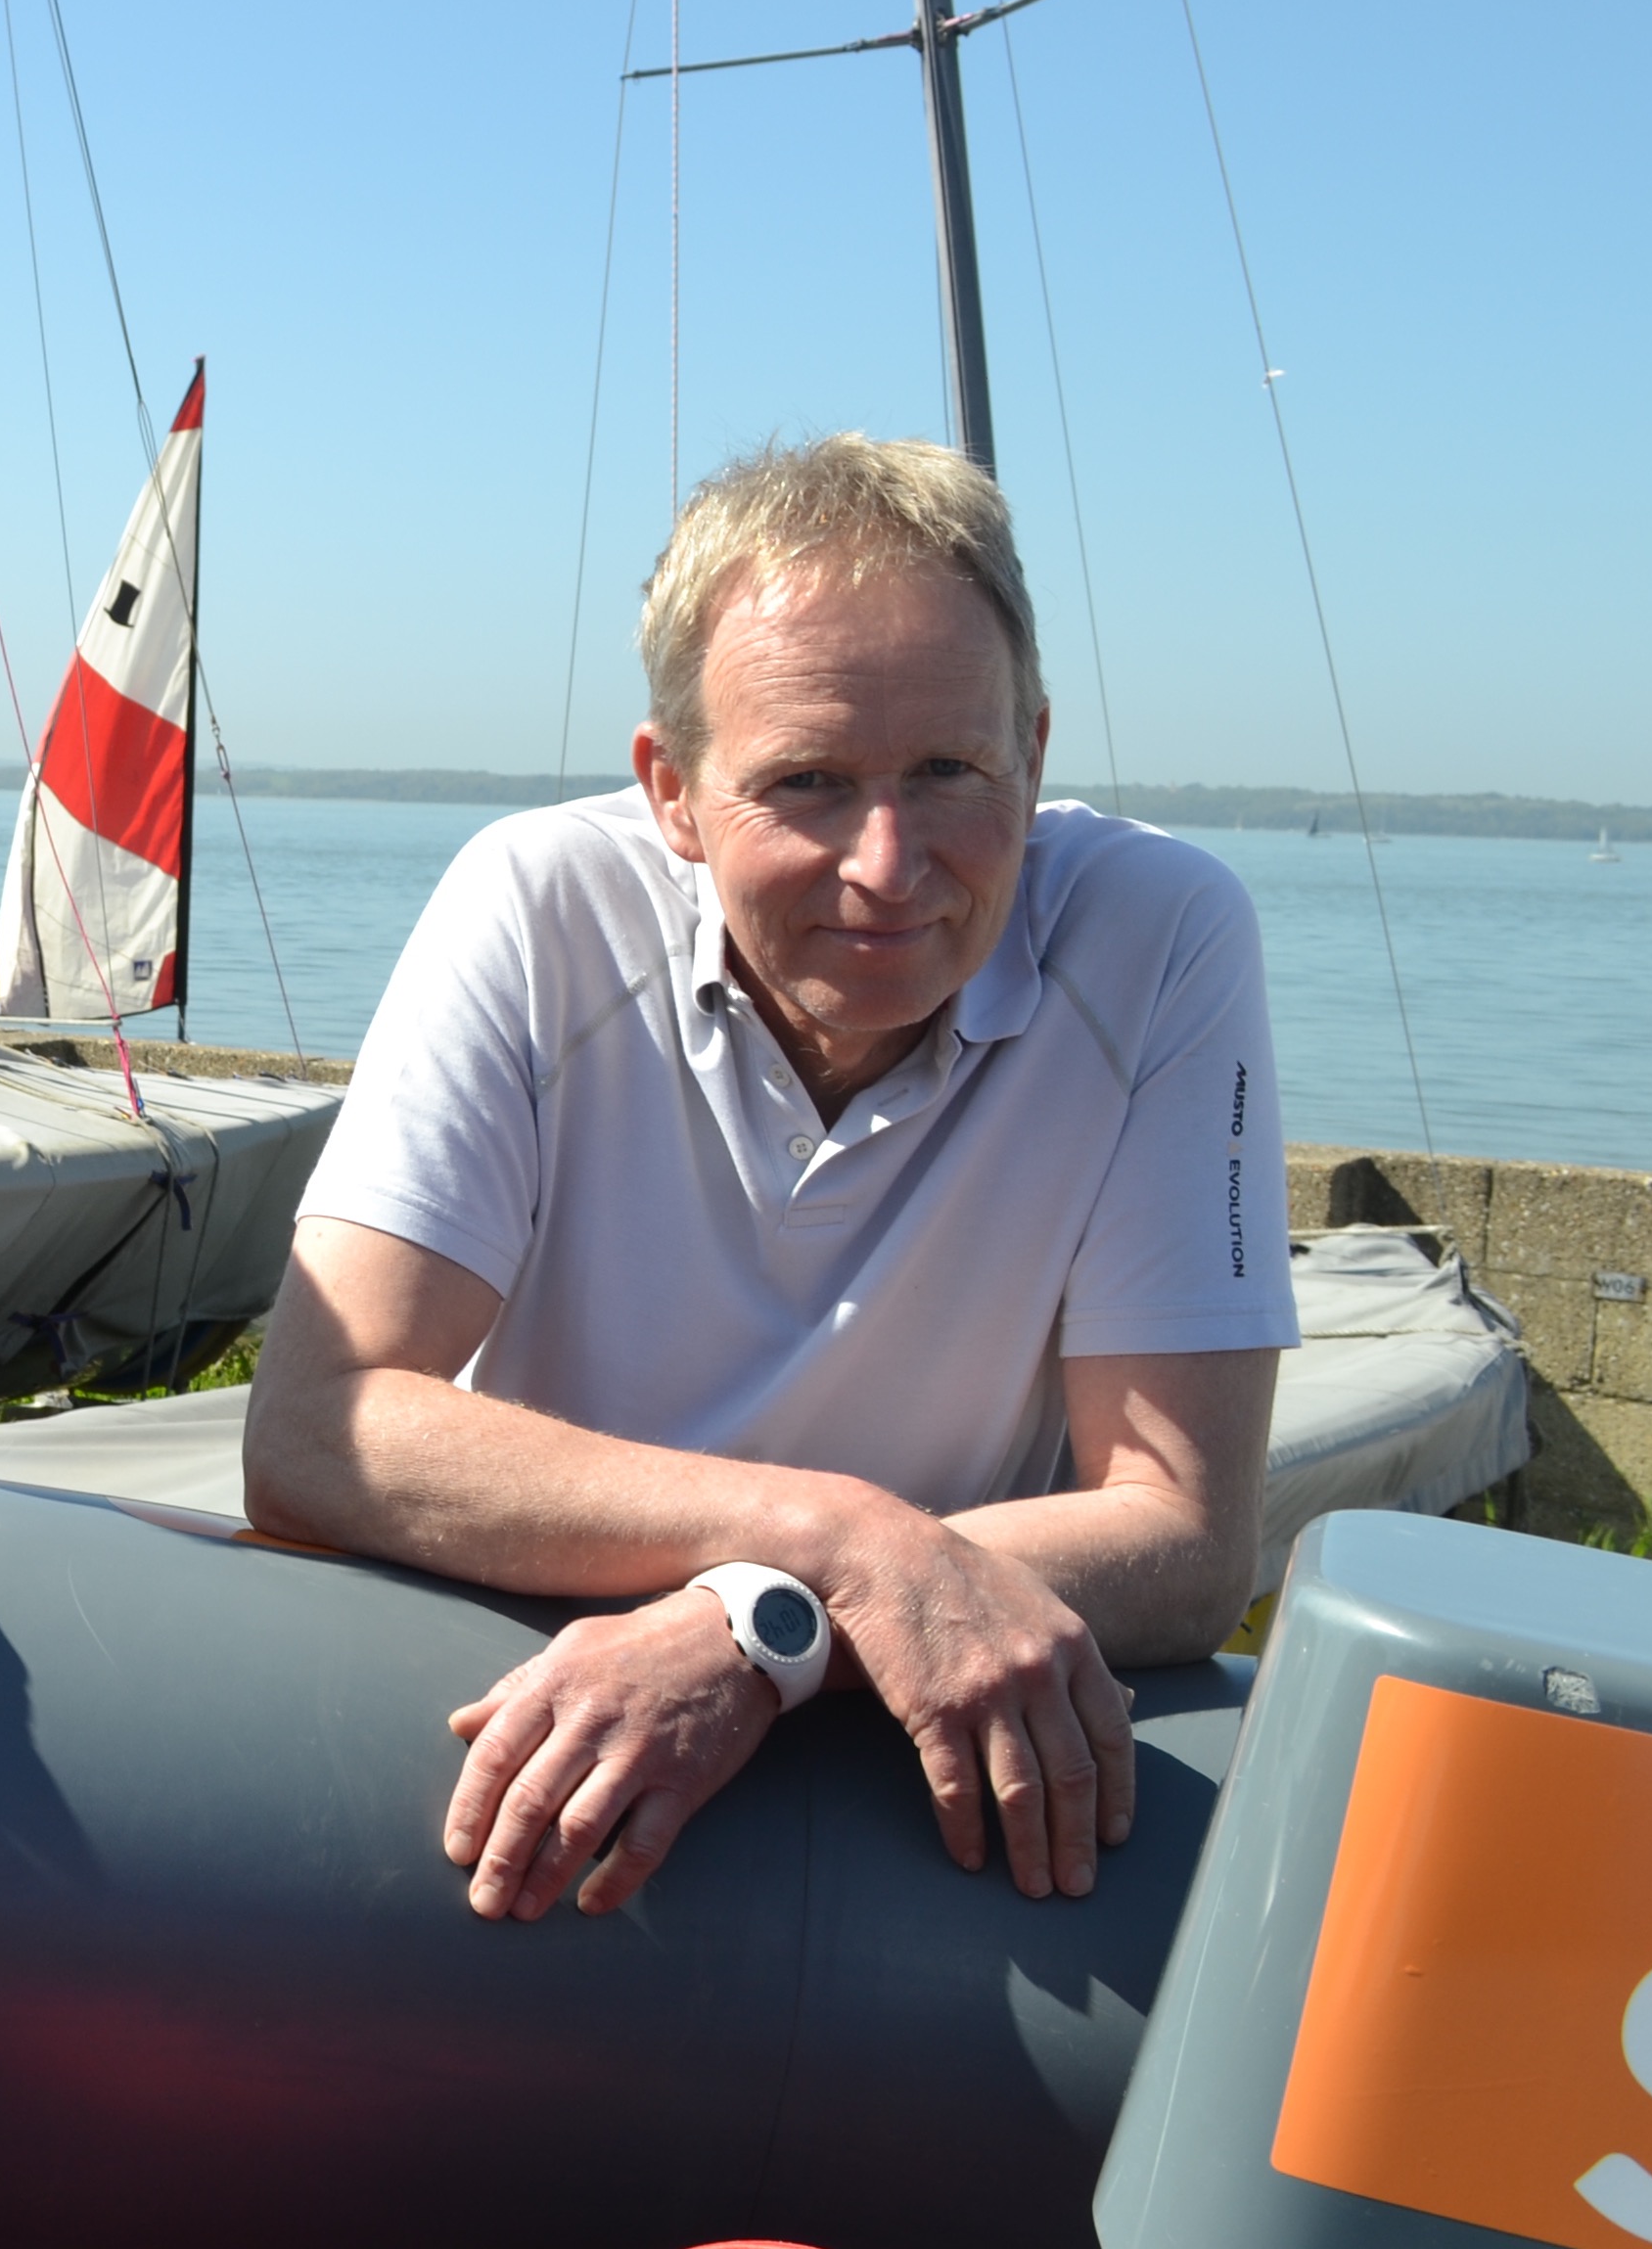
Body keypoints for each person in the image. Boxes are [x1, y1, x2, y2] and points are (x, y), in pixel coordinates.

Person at [242, 434, 1292, 1926]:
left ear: (1036, 753)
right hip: (540, 1708)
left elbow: (1186, 1535)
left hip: (900, 1793)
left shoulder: (1163, 933)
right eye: (808, 783)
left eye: (951, 772)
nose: (889, 865)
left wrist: (756, 1627)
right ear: (671, 792)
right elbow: (317, 1428)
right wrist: (835, 1542)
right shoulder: (537, 905)